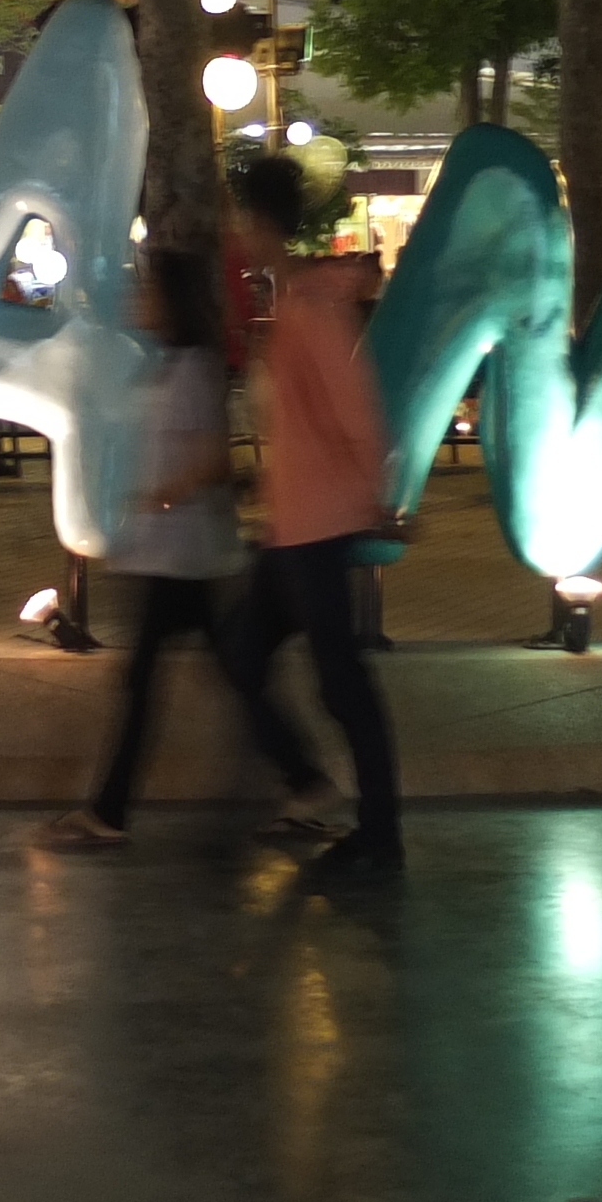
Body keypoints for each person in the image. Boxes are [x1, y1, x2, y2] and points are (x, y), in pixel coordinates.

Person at [42, 247, 326, 852]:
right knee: (227, 673)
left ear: (172, 301)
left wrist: (161, 498)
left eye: (149, 292)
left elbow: (216, 459)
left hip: (182, 556)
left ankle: (111, 811)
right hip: (171, 559)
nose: (140, 301)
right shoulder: (165, 364)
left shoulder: (194, 368)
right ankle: (305, 778)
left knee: (149, 685)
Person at [213, 154, 401, 877]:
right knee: (244, 651)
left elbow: (355, 411)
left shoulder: (311, 308)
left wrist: (377, 501)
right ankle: (313, 785)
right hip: (292, 524)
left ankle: (379, 830)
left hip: (318, 525)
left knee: (339, 679)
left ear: (258, 221)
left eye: (239, 215)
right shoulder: (292, 300)